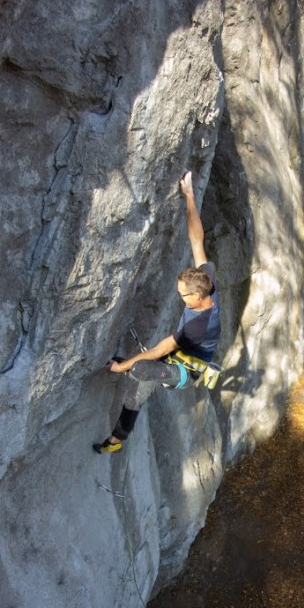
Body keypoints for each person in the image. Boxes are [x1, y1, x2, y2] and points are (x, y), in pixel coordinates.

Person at [94, 171, 221, 454]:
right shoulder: (207, 284)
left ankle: (115, 441)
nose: (180, 297)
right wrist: (189, 196)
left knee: (140, 371)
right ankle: (117, 441)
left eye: (183, 295)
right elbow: (197, 241)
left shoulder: (198, 327)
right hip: (185, 351)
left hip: (183, 370)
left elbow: (161, 348)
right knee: (134, 389)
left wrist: (123, 365)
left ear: (197, 296)